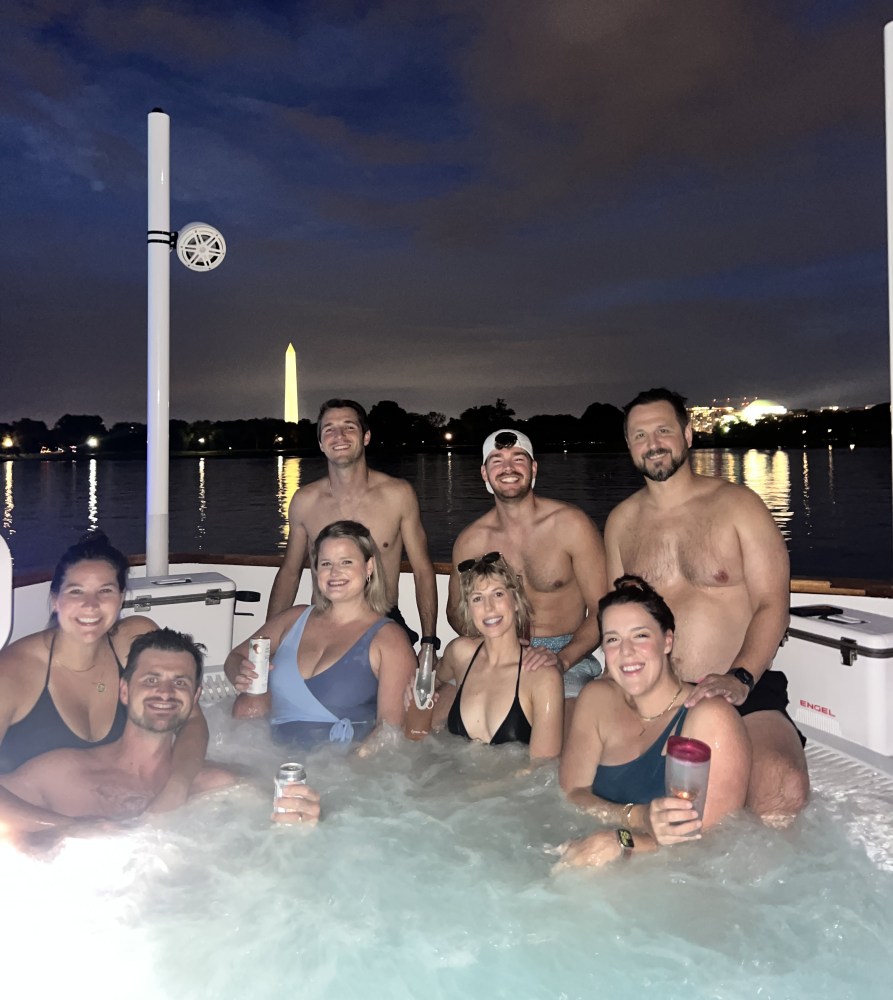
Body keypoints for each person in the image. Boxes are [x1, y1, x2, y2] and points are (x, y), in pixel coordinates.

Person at [604, 387, 809, 820]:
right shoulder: (621, 522)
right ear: (628, 446)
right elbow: (616, 621)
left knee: (781, 791)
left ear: (688, 434)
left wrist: (740, 677)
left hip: (741, 690)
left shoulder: (739, 506)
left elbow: (773, 604)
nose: (652, 443)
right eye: (639, 435)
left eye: (663, 430)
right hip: (652, 693)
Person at [0, 532, 209, 832]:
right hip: (27, 829)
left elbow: (192, 719)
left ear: (122, 598)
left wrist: (178, 785)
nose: (91, 605)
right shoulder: (13, 672)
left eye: (105, 591)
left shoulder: (131, 641)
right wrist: (67, 827)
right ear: (55, 600)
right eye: (76, 592)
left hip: (117, 818)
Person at [557, 576, 750, 869]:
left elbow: (710, 846)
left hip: (675, 880)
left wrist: (621, 842)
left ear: (667, 640)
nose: (625, 651)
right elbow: (572, 794)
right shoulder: (596, 700)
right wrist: (637, 817)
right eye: (612, 639)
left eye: (640, 636)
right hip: (594, 852)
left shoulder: (709, 717)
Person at [0, 629, 258, 837]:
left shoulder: (214, 785)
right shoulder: (61, 775)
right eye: (151, 680)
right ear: (124, 690)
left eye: (180, 682)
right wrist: (67, 828)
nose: (165, 692)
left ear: (195, 696)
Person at [266, 399, 438, 660]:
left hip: (381, 619)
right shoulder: (304, 501)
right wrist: (268, 645)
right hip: (323, 619)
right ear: (321, 444)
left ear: (366, 437)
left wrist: (428, 643)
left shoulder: (398, 495)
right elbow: (290, 573)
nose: (339, 436)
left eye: (349, 427)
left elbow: (423, 570)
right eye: (329, 430)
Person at [447, 429, 608, 698]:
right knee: (439, 712)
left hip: (566, 652)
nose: (508, 468)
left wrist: (562, 660)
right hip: (497, 649)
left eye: (518, 458)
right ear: (485, 473)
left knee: (559, 721)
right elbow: (456, 612)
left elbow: (603, 608)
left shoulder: (571, 525)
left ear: (533, 468)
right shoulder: (471, 541)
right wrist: (494, 637)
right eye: (496, 460)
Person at [227, 520, 416, 745]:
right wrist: (242, 672)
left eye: (346, 562)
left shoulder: (389, 639)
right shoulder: (293, 619)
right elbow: (235, 657)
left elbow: (390, 733)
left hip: (343, 768)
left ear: (369, 567)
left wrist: (351, 770)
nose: (334, 572)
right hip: (271, 760)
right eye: (326, 563)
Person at [432, 553, 563, 760]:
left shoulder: (542, 677)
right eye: (477, 598)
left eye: (498, 594)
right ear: (469, 609)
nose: (488, 607)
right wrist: (415, 693)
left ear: (517, 601)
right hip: (454, 780)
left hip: (511, 790)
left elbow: (540, 771)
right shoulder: (460, 653)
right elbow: (432, 680)